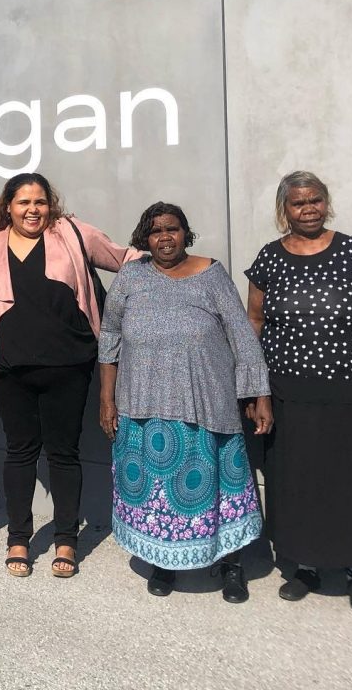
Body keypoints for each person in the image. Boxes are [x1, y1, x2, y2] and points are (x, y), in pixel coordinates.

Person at [98, 202, 272, 603]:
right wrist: (107, 398)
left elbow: (242, 336)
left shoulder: (211, 274)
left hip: (206, 404)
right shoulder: (130, 277)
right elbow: (109, 338)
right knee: (159, 492)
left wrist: (258, 392)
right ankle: (164, 562)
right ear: (146, 237)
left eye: (172, 230)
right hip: (143, 406)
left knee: (219, 490)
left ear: (185, 233)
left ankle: (231, 566)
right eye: (156, 231)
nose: (165, 238)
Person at [246, 171, 352, 614]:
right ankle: (307, 566)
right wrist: (256, 390)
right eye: (298, 203)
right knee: (299, 480)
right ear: (285, 210)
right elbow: (252, 324)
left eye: (315, 200)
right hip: (290, 392)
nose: (308, 208)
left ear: (325, 202)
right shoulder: (269, 259)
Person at [0, 173, 139, 578]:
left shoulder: (71, 232)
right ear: (7, 206)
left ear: (51, 204)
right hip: (11, 370)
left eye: (40, 202)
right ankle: (18, 537)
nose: (33, 209)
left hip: (69, 365)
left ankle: (66, 538)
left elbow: (126, 260)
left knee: (63, 453)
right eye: (24, 202)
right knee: (19, 452)